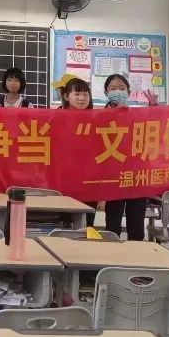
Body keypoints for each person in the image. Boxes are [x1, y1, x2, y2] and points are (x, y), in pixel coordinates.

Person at [102, 74, 157, 240]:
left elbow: (153, 128)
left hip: (136, 175)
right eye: (113, 88)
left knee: (137, 225)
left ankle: (136, 255)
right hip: (113, 176)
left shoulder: (136, 115)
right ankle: (112, 254)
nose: (118, 91)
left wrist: (154, 108)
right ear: (106, 92)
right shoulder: (98, 117)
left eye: (122, 88)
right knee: (112, 224)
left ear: (129, 92)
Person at [55, 75, 96, 225]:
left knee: (87, 223)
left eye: (85, 94)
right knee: (64, 222)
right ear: (66, 96)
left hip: (89, 180)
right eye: (77, 94)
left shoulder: (96, 119)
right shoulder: (56, 118)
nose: (82, 98)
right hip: (64, 179)